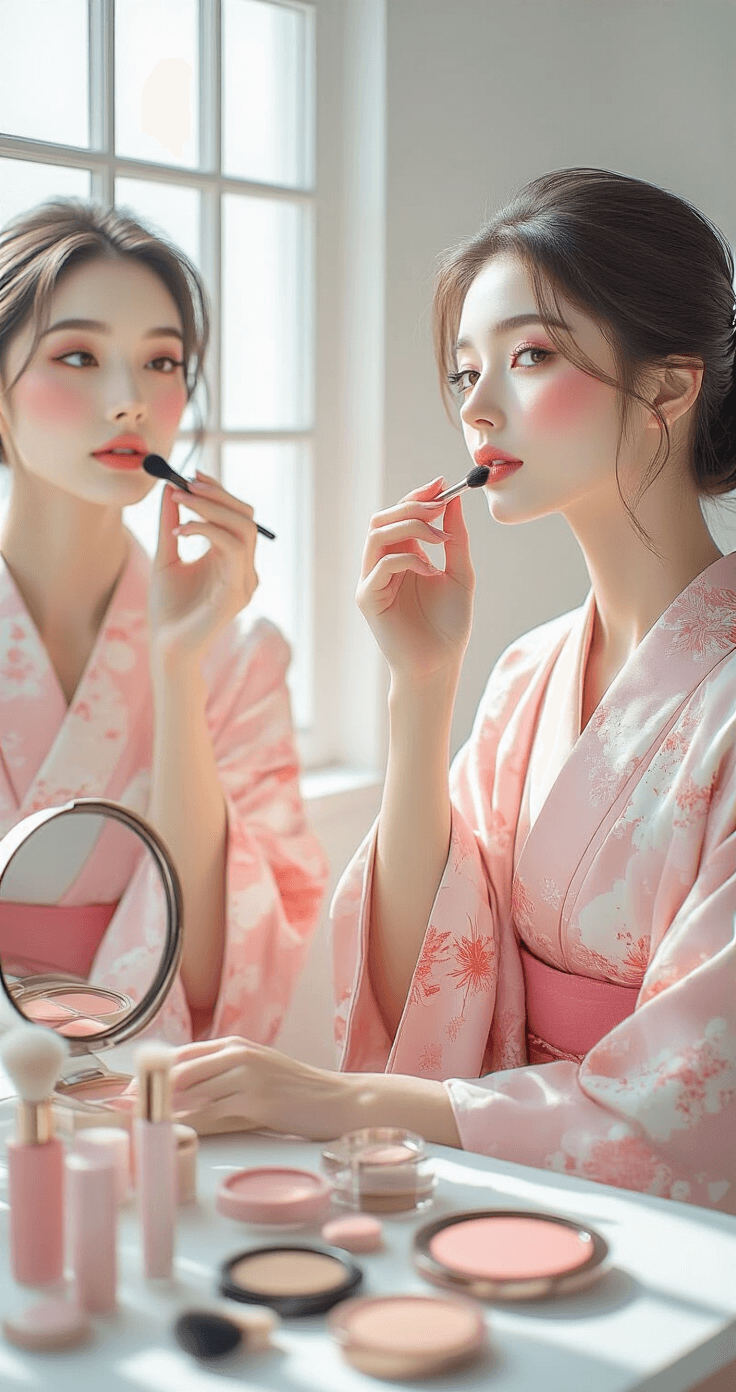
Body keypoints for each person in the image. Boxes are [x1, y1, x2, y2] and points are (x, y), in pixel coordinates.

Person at [167, 169, 736, 1213]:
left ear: (667, 384)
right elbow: (432, 972)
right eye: (464, 371)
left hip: (663, 1227)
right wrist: (419, 689)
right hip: (499, 1187)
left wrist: (339, 1101)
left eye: (527, 357)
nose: (475, 407)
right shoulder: (525, 672)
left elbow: (691, 1103)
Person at [0, 199, 328, 1042]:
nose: (128, 401)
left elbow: (219, 974)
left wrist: (178, 668)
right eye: (77, 355)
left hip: (147, 1093)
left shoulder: (239, 658)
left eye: (161, 362)